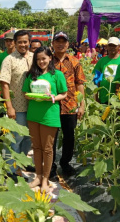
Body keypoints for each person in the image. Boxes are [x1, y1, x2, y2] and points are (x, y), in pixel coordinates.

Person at [23, 47, 67, 192]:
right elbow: (25, 93)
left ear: (49, 58)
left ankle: (46, 180)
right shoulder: (31, 75)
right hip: (33, 115)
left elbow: (64, 94)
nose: (41, 61)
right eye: (38, 59)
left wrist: (53, 97)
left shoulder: (57, 75)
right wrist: (31, 96)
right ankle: (38, 176)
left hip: (50, 115)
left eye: (44, 58)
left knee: (47, 149)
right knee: (36, 147)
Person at [0, 30, 34, 180]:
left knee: (28, 138)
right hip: (17, 107)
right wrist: (9, 106)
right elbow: (4, 84)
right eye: (19, 42)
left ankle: (21, 164)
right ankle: (11, 170)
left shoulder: (34, 57)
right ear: (14, 42)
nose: (23, 44)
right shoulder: (9, 60)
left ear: (29, 42)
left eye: (25, 41)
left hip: (34, 106)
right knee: (16, 138)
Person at [50, 31, 85, 178]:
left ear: (68, 44)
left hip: (70, 105)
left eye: (63, 41)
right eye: (57, 41)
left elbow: (80, 84)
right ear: (52, 44)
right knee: (51, 137)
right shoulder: (47, 61)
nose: (60, 44)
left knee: (69, 137)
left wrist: (81, 104)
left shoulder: (74, 62)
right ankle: (51, 165)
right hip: (50, 105)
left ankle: (65, 163)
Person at [93, 37, 120, 104]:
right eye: (110, 45)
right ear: (106, 47)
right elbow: (96, 80)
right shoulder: (101, 61)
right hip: (104, 97)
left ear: (119, 47)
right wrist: (96, 97)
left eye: (114, 46)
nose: (112, 47)